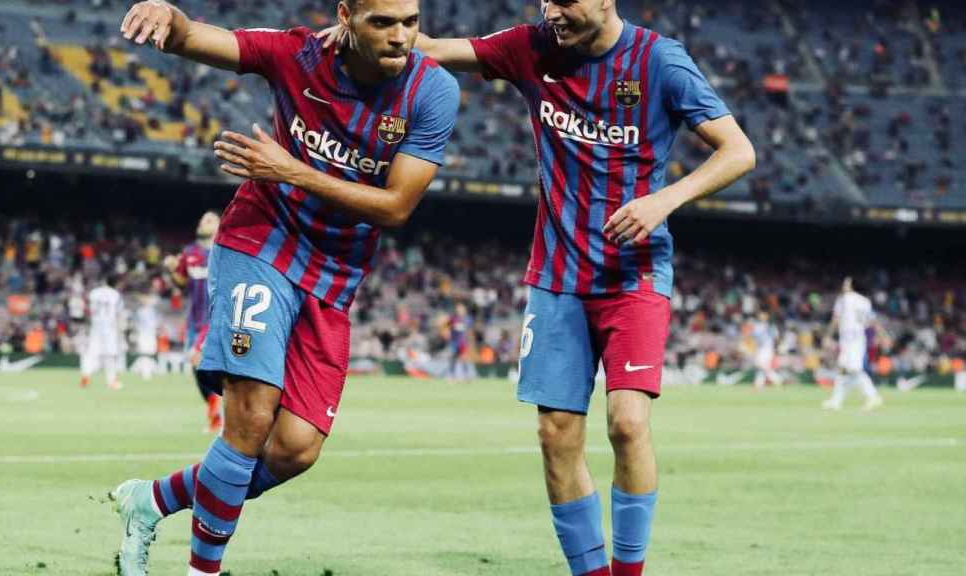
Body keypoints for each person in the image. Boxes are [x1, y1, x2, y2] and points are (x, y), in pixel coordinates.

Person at [324, 2, 755, 573]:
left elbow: (739, 151)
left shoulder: (660, 62)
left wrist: (663, 199)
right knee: (556, 433)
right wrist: (356, 35)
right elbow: (444, 49)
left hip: (635, 273)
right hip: (556, 276)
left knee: (627, 422)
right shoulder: (532, 47)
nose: (552, 10)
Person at [110, 1, 459, 575]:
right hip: (262, 242)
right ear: (346, 14)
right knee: (249, 417)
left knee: (295, 448)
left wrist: (291, 169)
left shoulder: (433, 91)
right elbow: (198, 36)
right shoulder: (298, 54)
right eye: (382, 22)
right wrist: (168, 17)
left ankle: (151, 501)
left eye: (411, 21)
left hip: (335, 272)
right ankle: (203, 571)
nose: (401, 37)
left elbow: (397, 207)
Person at [164, 211, 221, 431]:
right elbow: (181, 284)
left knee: (198, 360)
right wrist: (171, 271)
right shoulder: (190, 253)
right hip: (194, 320)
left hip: (214, 318)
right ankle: (214, 410)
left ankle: (217, 410)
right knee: (196, 367)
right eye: (201, 219)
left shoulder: (224, 252)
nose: (202, 222)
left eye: (208, 220)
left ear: (219, 225)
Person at [823, 277, 884, 411]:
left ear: (852, 286)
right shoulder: (865, 301)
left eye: (846, 283)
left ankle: (873, 396)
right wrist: (881, 335)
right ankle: (836, 401)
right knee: (844, 369)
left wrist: (827, 335)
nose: (843, 286)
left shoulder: (843, 299)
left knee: (854, 369)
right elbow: (872, 320)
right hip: (858, 338)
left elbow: (835, 320)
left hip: (849, 338)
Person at [81, 275, 124, 390]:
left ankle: (85, 378)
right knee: (110, 355)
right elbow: (118, 313)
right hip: (109, 327)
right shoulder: (116, 294)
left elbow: (88, 309)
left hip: (96, 326)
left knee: (91, 353)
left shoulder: (94, 292)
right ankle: (111, 381)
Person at [751, 311, 781, 389]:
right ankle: (759, 384)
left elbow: (776, 338)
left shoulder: (771, 326)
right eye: (761, 315)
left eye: (764, 315)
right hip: (760, 348)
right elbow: (754, 338)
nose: (762, 317)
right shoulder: (757, 326)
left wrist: (775, 348)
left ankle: (777, 380)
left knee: (762, 366)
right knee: (762, 367)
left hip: (768, 349)